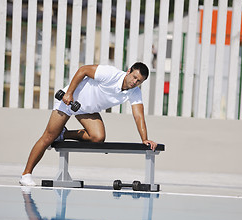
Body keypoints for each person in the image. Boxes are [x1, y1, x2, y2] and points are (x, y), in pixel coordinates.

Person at [19, 62, 157, 186]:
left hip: (88, 110)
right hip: (70, 101)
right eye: (134, 77)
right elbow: (83, 70)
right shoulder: (110, 74)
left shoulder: (134, 92)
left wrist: (144, 139)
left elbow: (138, 116)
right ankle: (26, 174)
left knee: (98, 137)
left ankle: (63, 134)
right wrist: (69, 93)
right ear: (128, 71)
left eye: (139, 81)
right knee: (48, 137)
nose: (134, 82)